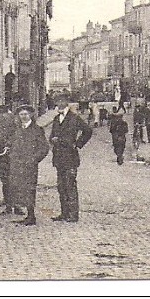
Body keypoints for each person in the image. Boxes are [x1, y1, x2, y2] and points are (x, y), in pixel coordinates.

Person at [49, 93, 93, 222]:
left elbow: (88, 131)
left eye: (62, 101)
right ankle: (64, 213)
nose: (59, 104)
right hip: (58, 157)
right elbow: (52, 135)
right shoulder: (57, 119)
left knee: (70, 185)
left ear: (67, 102)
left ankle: (73, 214)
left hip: (70, 156)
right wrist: (52, 139)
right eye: (57, 101)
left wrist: (78, 144)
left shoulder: (74, 118)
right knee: (61, 186)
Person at [6, 104, 50, 225]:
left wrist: (34, 159)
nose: (23, 117)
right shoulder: (17, 129)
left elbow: (44, 148)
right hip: (16, 164)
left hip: (29, 165)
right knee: (18, 188)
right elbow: (11, 142)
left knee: (29, 189)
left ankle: (31, 216)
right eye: (21, 115)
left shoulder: (37, 130)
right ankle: (25, 213)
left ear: (30, 115)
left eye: (26, 114)